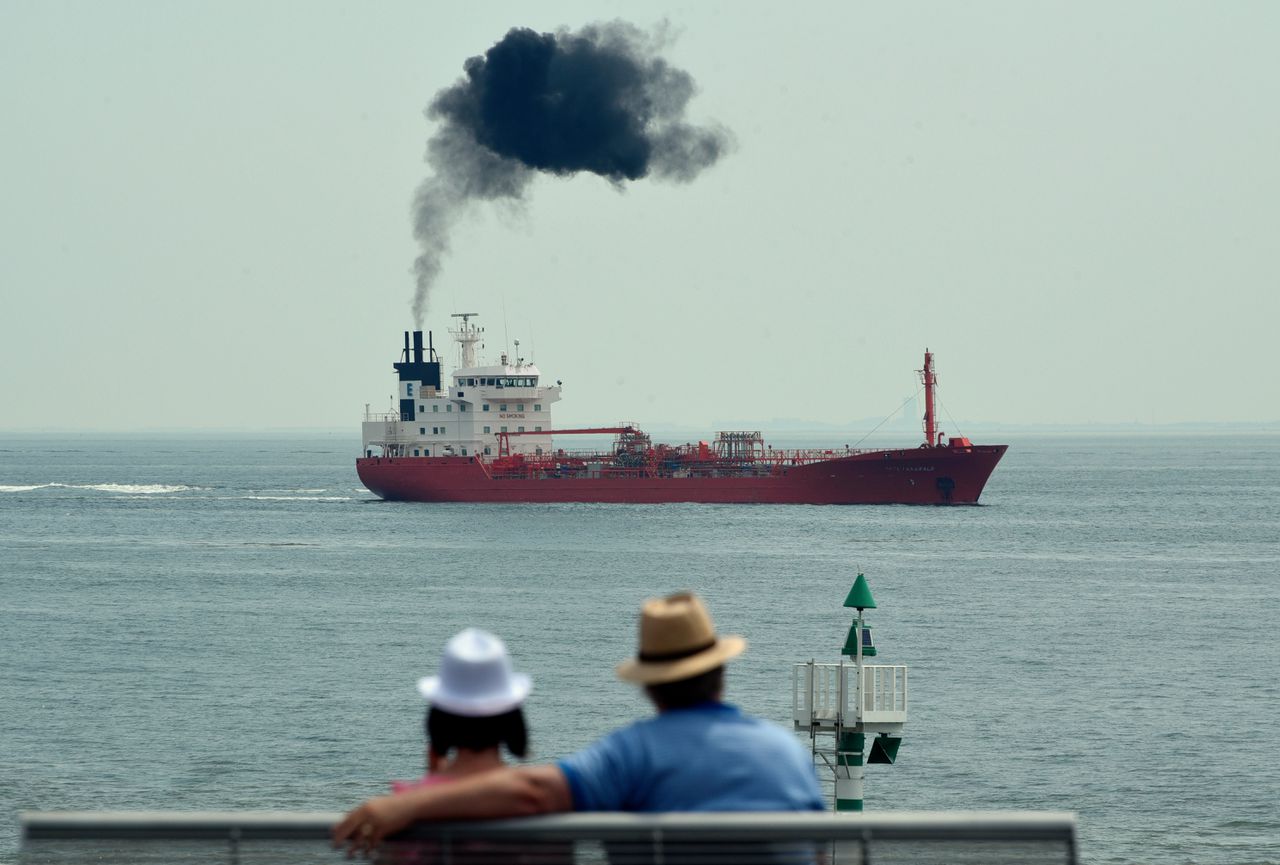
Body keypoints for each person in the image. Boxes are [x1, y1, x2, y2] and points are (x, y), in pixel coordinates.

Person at [335, 592, 824, 856]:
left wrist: (407, 805)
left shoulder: (635, 753)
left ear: (649, 684)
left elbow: (535, 792)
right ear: (721, 671)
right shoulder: (790, 752)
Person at [391, 627, 532, 793]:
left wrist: (433, 781)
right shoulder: (536, 796)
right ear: (513, 720)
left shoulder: (402, 806)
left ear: (437, 720)